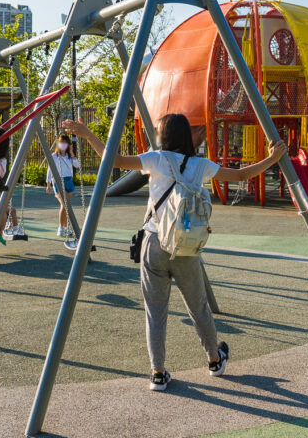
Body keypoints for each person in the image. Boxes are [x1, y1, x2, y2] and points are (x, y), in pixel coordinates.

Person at [62, 113, 287, 392]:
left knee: (155, 311)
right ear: (187, 135)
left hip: (155, 241)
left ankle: (158, 373)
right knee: (198, 307)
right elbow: (241, 174)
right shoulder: (200, 165)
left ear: (163, 135)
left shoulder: (156, 159)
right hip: (186, 245)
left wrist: (85, 133)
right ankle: (215, 360)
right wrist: (272, 160)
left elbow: (116, 160)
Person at [46, 134, 80, 238]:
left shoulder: (70, 156)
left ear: (68, 144)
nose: (63, 145)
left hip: (68, 180)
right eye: (61, 142)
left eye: (65, 143)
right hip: (58, 180)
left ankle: (65, 227)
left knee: (67, 206)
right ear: (58, 144)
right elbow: (49, 170)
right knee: (64, 204)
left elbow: (77, 165)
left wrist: (71, 153)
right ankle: (60, 227)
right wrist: (48, 184)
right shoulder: (54, 156)